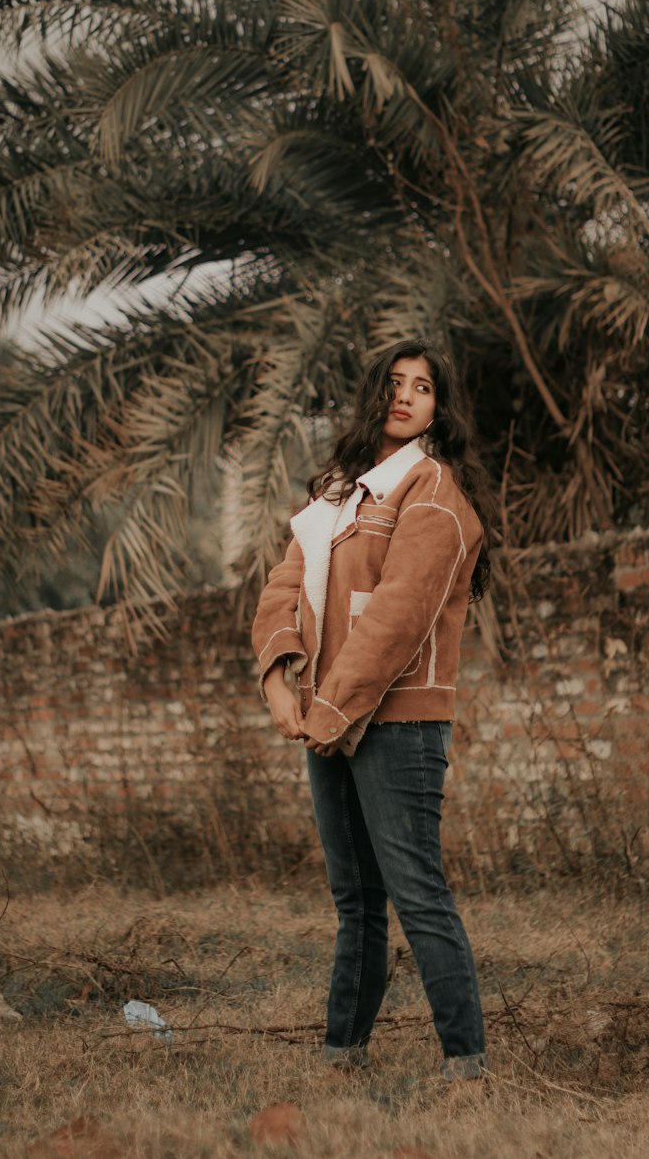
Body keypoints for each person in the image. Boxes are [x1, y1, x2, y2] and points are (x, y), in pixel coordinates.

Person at [251, 338, 497, 1084]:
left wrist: (325, 714)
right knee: (357, 900)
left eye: (423, 387)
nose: (405, 395)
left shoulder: (435, 495)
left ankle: (467, 1066)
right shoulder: (337, 497)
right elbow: (283, 588)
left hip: (398, 725)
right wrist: (277, 682)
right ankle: (342, 1055)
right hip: (328, 715)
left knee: (418, 894)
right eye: (394, 383)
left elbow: (396, 616)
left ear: (438, 408)